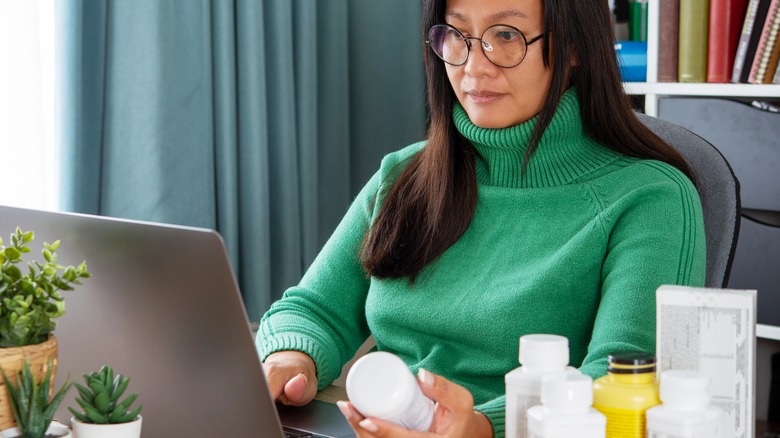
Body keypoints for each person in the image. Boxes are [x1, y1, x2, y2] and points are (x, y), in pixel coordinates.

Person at [256, 0, 706, 436]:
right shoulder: (404, 175)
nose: (473, 67)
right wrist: (292, 358)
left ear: (574, 47)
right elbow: (314, 310)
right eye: (456, 35)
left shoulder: (652, 197)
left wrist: (482, 428)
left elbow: (622, 384)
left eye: (506, 35)